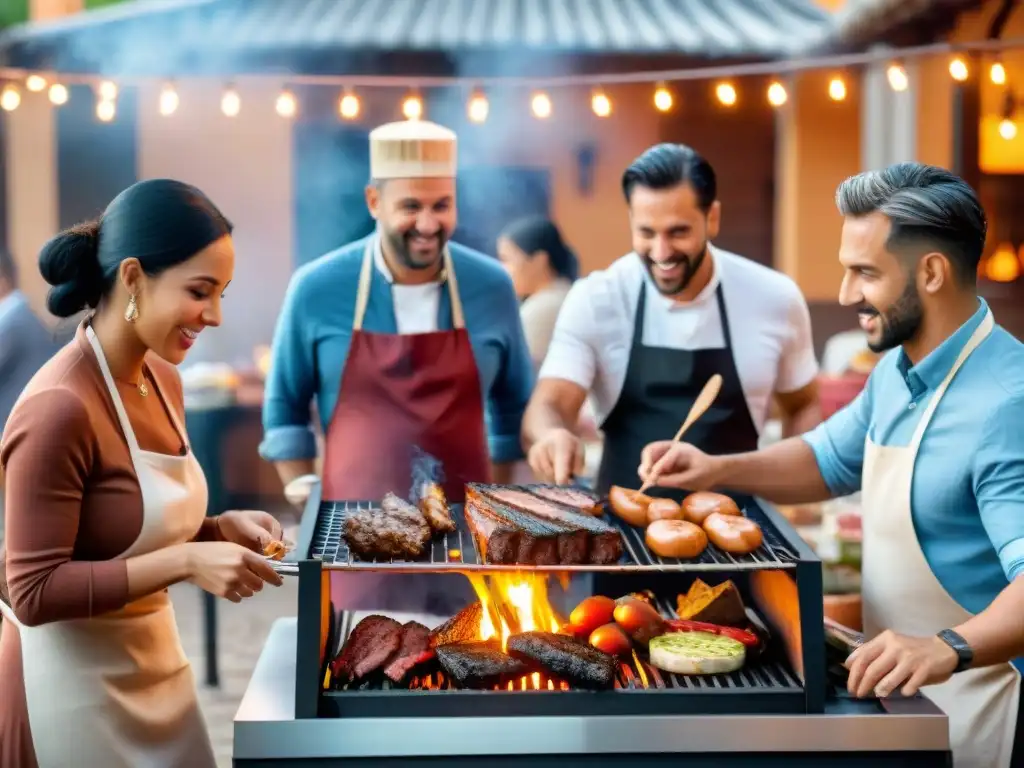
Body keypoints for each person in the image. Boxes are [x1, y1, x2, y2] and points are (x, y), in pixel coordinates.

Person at [640, 163, 1024, 768]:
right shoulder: (896, 373)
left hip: (983, 706)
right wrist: (713, 469)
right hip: (905, 701)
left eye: (864, 273)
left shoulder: (1008, 401)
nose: (845, 295)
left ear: (931, 272)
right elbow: (827, 460)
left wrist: (948, 646)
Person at [0, 179, 286, 768]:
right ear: (132, 277)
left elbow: (124, 528)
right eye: (199, 291)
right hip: (71, 695)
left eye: (221, 292)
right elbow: (31, 591)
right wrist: (185, 561)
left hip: (158, 672)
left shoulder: (163, 380)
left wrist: (216, 530)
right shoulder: (58, 406)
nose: (214, 315)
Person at [260, 119, 533, 614]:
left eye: (441, 206)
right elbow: (283, 409)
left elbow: (513, 408)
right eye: (410, 206)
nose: (428, 224)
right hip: (356, 541)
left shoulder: (491, 286)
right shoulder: (318, 288)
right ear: (373, 202)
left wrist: (498, 505)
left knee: (468, 654)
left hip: (468, 540)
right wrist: (304, 497)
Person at [521, 143, 821, 497]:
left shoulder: (773, 297)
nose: (661, 253)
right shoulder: (596, 299)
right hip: (622, 533)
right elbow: (548, 406)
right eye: (646, 233)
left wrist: (789, 489)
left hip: (742, 529)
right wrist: (551, 435)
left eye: (678, 232)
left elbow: (803, 405)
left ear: (712, 218)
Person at [497, 216, 579, 366]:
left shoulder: (545, 306)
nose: (501, 269)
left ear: (539, 261)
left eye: (506, 260)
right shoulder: (563, 295)